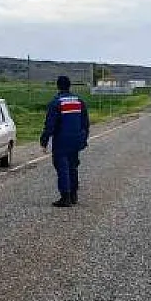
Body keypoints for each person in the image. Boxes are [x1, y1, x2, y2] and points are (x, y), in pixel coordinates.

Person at [40, 75, 90, 208]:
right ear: (69, 86)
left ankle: (65, 197)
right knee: (73, 166)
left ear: (58, 86)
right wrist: (84, 138)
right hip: (76, 140)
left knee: (62, 167)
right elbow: (85, 123)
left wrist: (44, 141)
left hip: (62, 141)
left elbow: (50, 125)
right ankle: (74, 195)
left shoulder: (56, 102)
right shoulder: (79, 101)